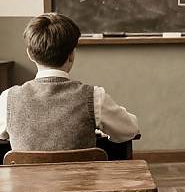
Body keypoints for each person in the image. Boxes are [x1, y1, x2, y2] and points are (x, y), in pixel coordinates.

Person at [0, 13, 139, 151]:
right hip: (82, 174)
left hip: (27, 174)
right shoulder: (94, 97)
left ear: (30, 54)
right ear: (72, 55)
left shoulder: (8, 99)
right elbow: (130, 130)